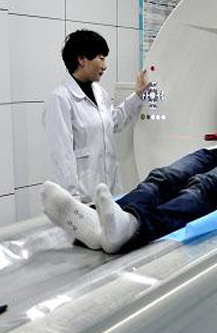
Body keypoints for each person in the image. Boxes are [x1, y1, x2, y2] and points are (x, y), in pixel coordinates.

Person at [41, 120, 217, 253]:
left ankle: (135, 227)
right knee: (163, 177)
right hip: (215, 151)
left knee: (204, 187)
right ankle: (98, 224)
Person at [43, 29, 150, 205]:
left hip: (110, 192)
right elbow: (62, 157)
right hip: (83, 199)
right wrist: (73, 204)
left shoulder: (99, 93)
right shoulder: (61, 99)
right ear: (81, 59)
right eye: (101, 58)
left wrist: (138, 95)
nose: (105, 65)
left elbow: (114, 122)